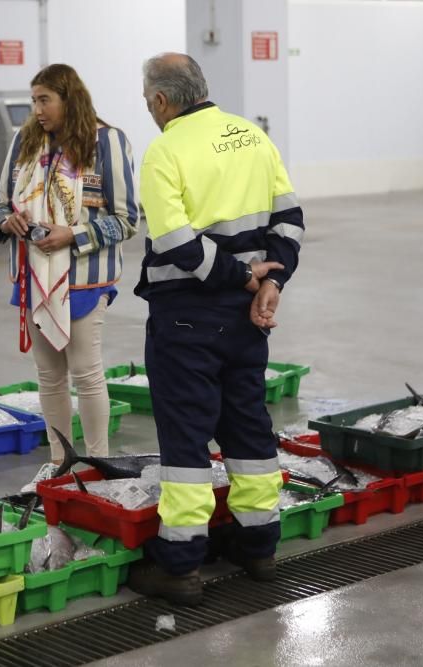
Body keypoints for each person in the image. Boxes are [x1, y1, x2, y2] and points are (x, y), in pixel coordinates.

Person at [126, 53, 304, 606]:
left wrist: (241, 277)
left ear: (160, 100)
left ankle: (179, 565)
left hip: (187, 316)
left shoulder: (165, 150)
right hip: (248, 321)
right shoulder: (253, 137)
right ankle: (259, 546)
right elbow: (290, 220)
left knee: (185, 437)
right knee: (248, 427)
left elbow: (176, 244)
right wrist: (271, 283)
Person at [0, 64, 138, 492]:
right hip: (33, 278)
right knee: (49, 375)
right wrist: (7, 224)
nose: (36, 110)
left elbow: (127, 219)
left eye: (44, 101)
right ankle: (60, 460)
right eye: (33, 100)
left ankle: (97, 462)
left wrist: (72, 234)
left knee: (86, 372)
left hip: (85, 281)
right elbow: (0, 205)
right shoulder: (24, 141)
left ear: (68, 99)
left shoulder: (106, 141)